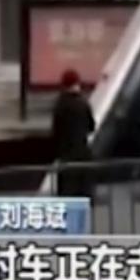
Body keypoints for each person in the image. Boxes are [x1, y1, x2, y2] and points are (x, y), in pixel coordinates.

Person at [50, 69, 95, 198]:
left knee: (67, 196)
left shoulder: (60, 105)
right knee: (84, 195)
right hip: (83, 154)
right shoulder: (83, 103)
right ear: (77, 84)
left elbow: (56, 132)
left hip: (66, 157)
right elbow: (91, 127)